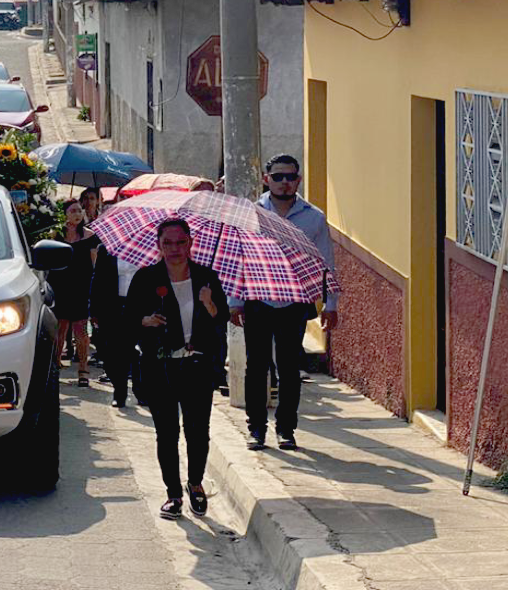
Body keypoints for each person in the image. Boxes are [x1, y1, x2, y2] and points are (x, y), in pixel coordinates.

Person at [228, 155, 338, 452]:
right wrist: (235, 301)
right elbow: (239, 257)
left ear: (298, 180)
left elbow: (325, 260)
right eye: (278, 177)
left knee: (289, 369)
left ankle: (286, 429)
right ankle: (256, 429)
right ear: (267, 179)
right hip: (258, 300)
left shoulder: (313, 217)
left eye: (290, 176)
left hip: (293, 302)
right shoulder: (251, 214)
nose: (284, 182)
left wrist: (331, 303)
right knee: (256, 367)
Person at [129, 218, 228, 520]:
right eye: (167, 243)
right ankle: (173, 494)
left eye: (180, 242)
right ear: (158, 245)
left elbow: (221, 317)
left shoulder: (206, 277)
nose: (175, 249)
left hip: (197, 365)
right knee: (167, 433)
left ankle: (195, 484)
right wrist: (144, 321)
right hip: (161, 367)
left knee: (198, 432)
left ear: (190, 243)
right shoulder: (146, 278)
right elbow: (127, 321)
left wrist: (209, 304)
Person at [47, 199, 98, 387]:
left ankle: (83, 370)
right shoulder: (56, 235)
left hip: (81, 287)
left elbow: (95, 264)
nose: (78, 214)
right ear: (65, 214)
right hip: (60, 286)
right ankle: (55, 366)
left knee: (81, 329)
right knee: (60, 328)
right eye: (73, 211)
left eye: (79, 211)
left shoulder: (90, 236)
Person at [91, 242, 141, 407]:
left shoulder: (148, 249)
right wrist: (94, 309)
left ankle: (139, 391)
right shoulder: (106, 249)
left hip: (138, 305)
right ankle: (119, 387)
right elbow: (97, 278)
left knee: (136, 350)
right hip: (112, 305)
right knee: (111, 353)